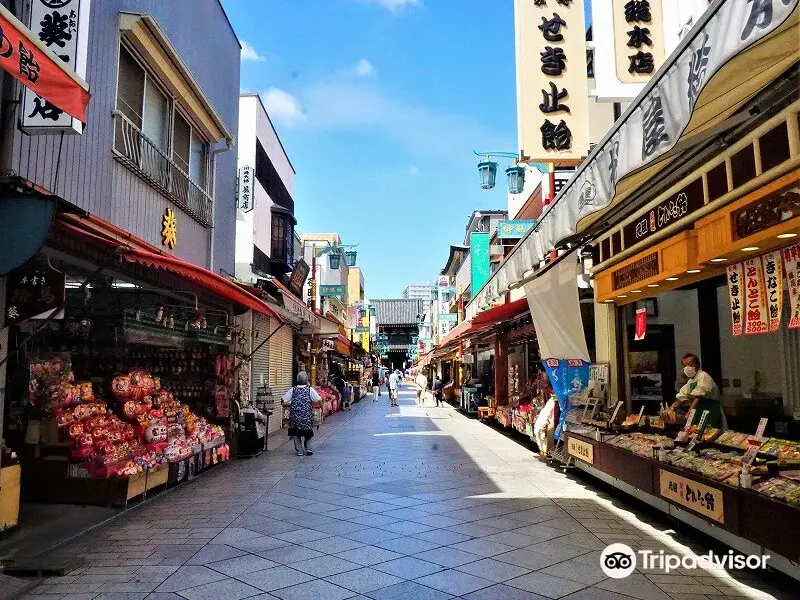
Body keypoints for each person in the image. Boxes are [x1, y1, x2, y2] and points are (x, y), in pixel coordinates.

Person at [669, 353, 723, 429]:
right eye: (685, 366)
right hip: (698, 411)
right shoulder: (691, 381)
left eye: (690, 364)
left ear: (698, 365)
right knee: (695, 433)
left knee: (709, 434)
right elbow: (682, 395)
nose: (687, 368)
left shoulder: (703, 376)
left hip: (710, 411)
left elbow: (699, 396)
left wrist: (690, 412)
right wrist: (672, 408)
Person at [282, 371, 321, 456]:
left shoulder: (293, 389)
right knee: (308, 433)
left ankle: (299, 450)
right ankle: (308, 449)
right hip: (307, 417)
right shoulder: (310, 389)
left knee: (296, 434)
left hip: (295, 417)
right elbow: (318, 399)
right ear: (306, 380)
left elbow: (283, 400)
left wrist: (287, 405)